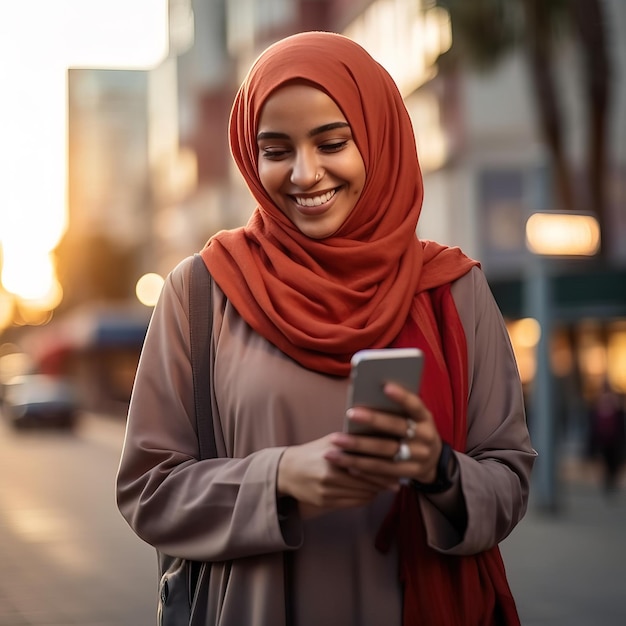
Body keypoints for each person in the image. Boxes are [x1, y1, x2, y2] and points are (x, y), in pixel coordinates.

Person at [116, 31, 536, 626]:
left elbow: (509, 477)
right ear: (249, 154)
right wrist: (280, 479)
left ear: (377, 137)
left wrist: (437, 469)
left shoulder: (449, 289)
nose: (305, 174)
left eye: (332, 142)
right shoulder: (204, 290)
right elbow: (148, 490)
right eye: (276, 149)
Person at [588, 382, 625, 494]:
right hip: (605, 439)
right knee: (607, 461)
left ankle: (610, 481)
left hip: (612, 439)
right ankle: (608, 481)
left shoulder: (613, 403)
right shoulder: (601, 403)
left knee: (613, 461)